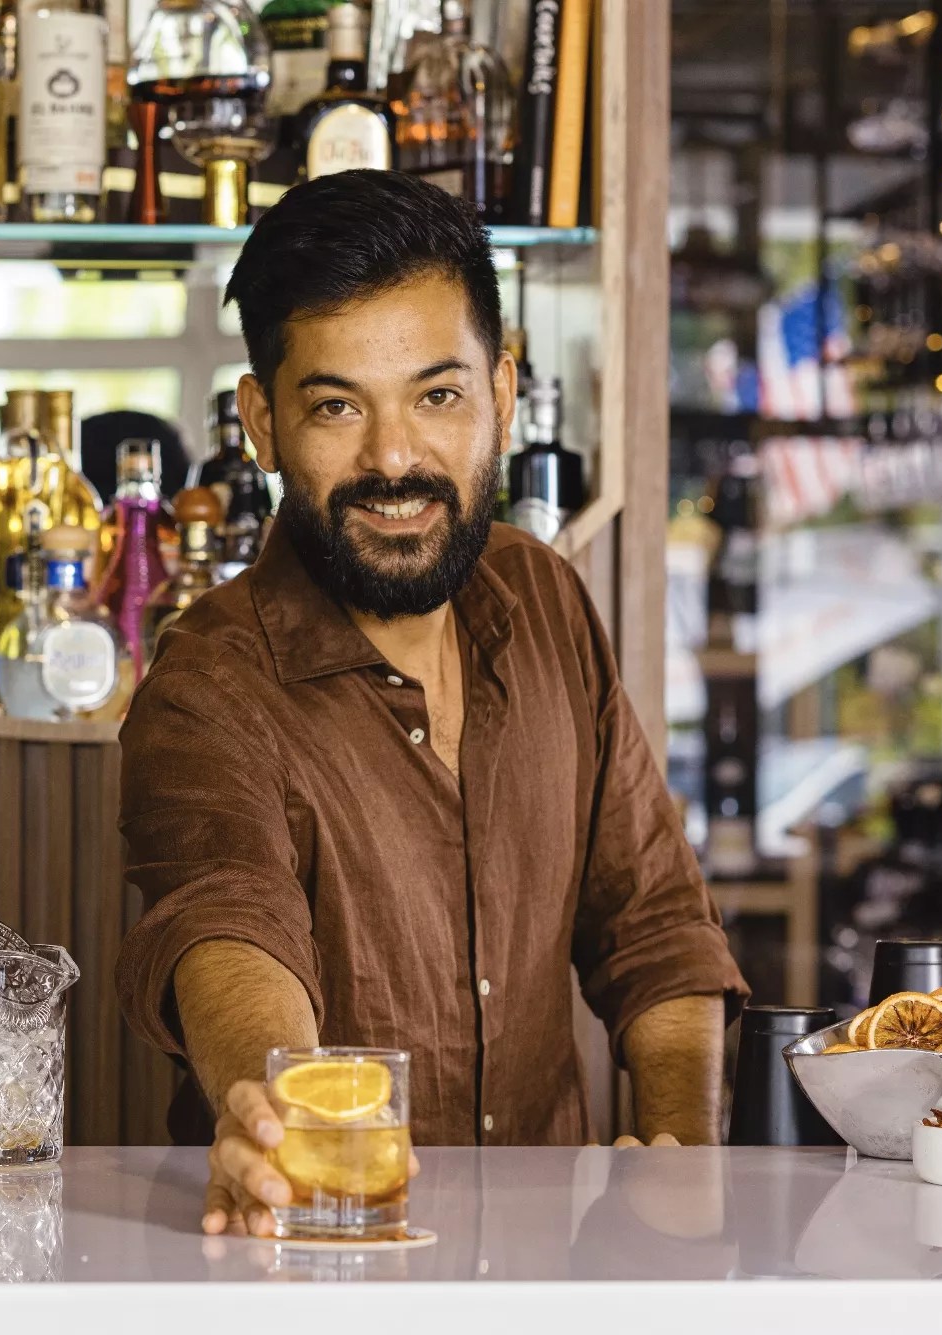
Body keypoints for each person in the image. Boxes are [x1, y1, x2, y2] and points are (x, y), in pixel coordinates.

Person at [113, 171, 748, 1236]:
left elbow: (657, 931)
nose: (394, 457)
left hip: (551, 1281)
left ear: (502, 391)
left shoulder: (545, 601)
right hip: (316, 1260)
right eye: (335, 406)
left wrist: (682, 1160)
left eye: (436, 396)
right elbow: (226, 927)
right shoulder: (207, 684)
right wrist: (270, 1109)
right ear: (261, 423)